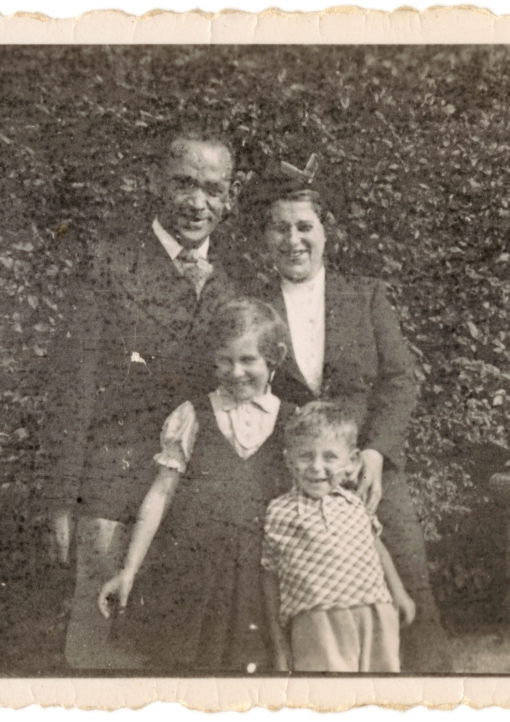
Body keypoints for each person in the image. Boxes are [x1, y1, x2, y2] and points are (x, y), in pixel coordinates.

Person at [37, 126, 243, 668]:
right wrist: (62, 497)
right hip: (112, 485)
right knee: (101, 644)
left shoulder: (236, 280)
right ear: (158, 183)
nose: (198, 203)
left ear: (229, 197)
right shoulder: (109, 263)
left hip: (196, 493)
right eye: (184, 184)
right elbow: (73, 387)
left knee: (180, 648)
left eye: (213, 189)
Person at [249, 162, 455, 672]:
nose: (293, 239)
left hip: (368, 472)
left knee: (407, 583)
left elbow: (400, 380)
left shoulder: (365, 295)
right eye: (280, 227)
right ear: (264, 237)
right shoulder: (253, 306)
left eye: (304, 226)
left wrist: (376, 452)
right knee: (311, 606)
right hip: (294, 481)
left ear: (326, 233)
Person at [96, 298, 294, 672]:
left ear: (275, 358)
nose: (235, 372)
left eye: (248, 359)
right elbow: (160, 494)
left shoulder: (293, 423)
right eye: (224, 360)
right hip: (192, 576)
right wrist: (129, 570)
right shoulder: (194, 415)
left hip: (262, 580)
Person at [262, 401, 416, 672]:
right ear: (288, 460)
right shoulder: (279, 511)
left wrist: (399, 593)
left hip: (374, 611)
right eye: (305, 456)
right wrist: (278, 642)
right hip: (316, 618)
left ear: (352, 461)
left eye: (330, 457)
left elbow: (376, 547)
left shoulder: (355, 504)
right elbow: (270, 574)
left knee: (381, 688)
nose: (316, 467)